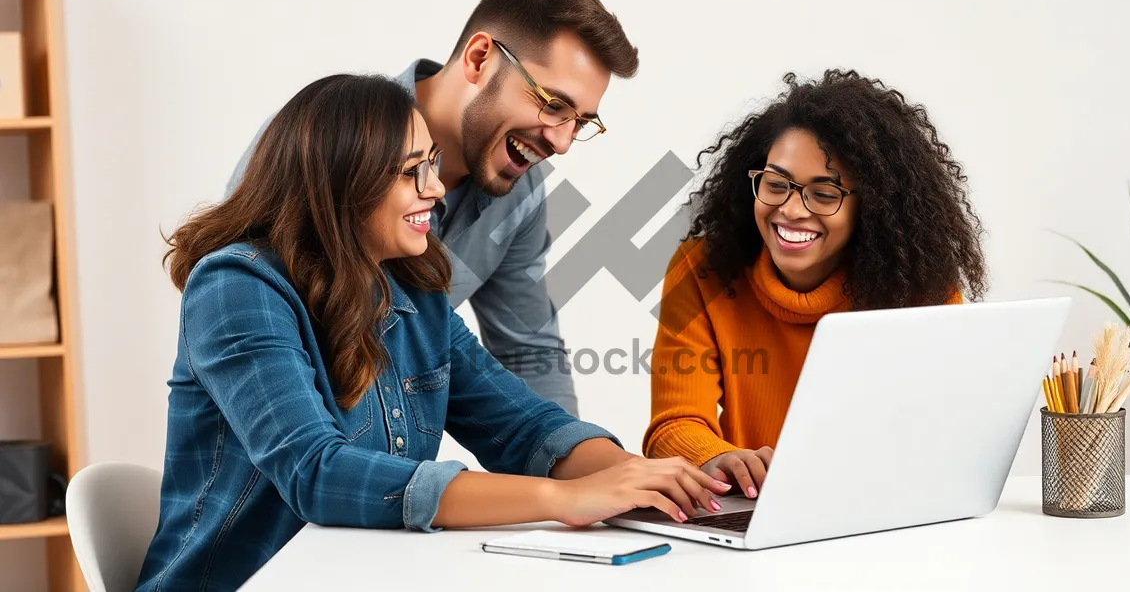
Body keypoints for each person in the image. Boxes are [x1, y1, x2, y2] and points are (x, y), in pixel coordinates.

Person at [137, 74, 727, 591]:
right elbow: (317, 472)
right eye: (409, 172)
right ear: (341, 182)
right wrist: (565, 500)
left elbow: (523, 427)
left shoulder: (414, 290)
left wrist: (641, 479)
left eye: (431, 164)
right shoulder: (237, 286)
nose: (437, 188)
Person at [224, 0, 640, 416]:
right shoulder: (320, 140)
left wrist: (584, 468)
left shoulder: (520, 191)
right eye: (553, 104)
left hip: (392, 471)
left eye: (579, 122)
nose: (561, 142)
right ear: (480, 58)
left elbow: (526, 351)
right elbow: (237, 317)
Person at [642, 69, 989, 497]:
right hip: (756, 511)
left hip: (884, 510)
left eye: (824, 194)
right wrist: (717, 458)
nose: (790, 210)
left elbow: (947, 429)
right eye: (775, 184)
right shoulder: (701, 270)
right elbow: (675, 424)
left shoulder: (919, 288)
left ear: (873, 207)